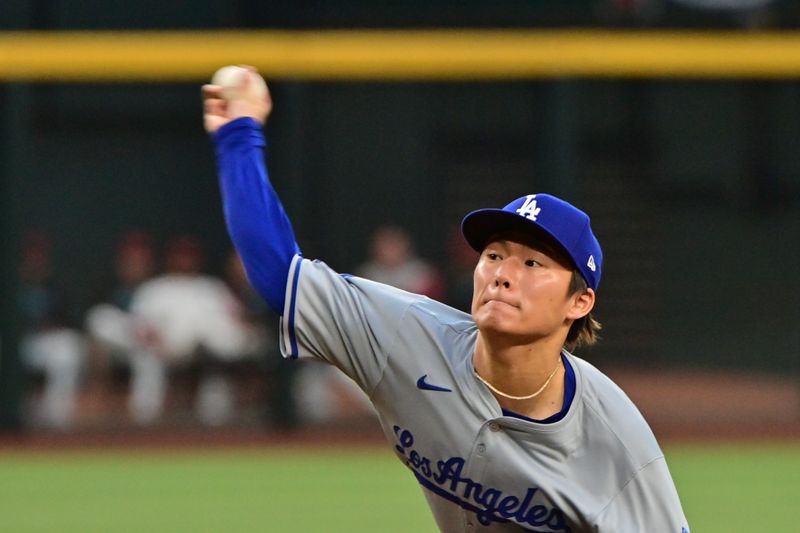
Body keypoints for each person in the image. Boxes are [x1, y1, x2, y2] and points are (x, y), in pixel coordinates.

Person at [202, 70, 690, 532]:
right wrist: (238, 136)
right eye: (494, 254)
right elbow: (278, 275)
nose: (502, 275)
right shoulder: (405, 337)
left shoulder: (615, 444)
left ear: (579, 303)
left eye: (532, 264)